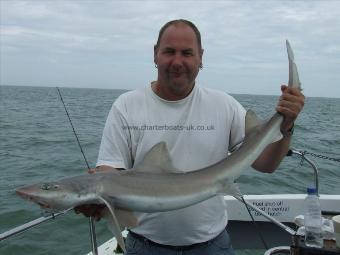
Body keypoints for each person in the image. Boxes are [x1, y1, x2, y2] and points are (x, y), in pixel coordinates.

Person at [76, 19, 305, 255]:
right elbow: (110, 171)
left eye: (187, 53)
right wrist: (96, 196)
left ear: (201, 58)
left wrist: (286, 123)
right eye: (169, 52)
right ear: (155, 55)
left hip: (213, 246)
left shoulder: (223, 105)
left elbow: (266, 165)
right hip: (144, 246)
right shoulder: (126, 106)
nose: (177, 62)